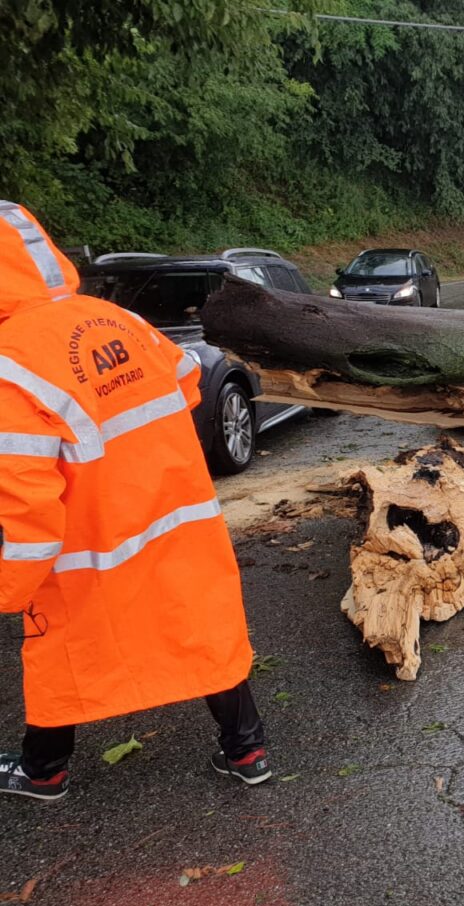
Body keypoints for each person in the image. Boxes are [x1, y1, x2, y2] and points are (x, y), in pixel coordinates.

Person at [0, 201, 269, 800]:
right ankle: (248, 751)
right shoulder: (112, 317)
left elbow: (28, 510)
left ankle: (44, 771)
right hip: (176, 515)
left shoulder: (9, 364)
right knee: (202, 627)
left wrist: (9, 589)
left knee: (60, 648)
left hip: (93, 539)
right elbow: (186, 383)